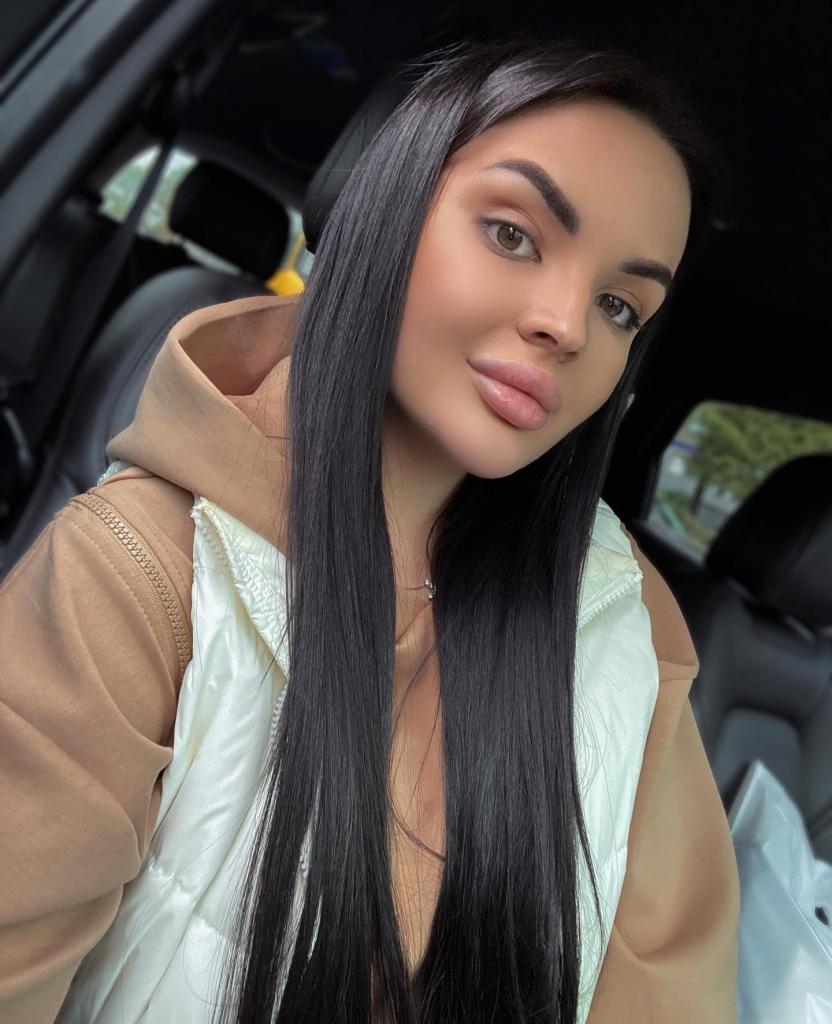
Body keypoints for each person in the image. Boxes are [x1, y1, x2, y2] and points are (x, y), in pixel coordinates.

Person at [0, 30, 739, 1024]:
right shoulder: (139, 572)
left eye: (619, 304)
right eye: (512, 234)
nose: (567, 323)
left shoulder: (626, 640)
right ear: (379, 208)